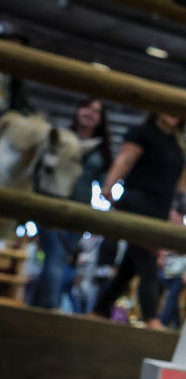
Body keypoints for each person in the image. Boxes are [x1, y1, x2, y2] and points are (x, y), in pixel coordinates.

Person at [91, 110, 186, 328]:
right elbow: (125, 159)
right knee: (147, 263)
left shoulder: (177, 143)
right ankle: (152, 319)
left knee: (128, 269)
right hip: (137, 203)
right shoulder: (143, 132)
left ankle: (98, 311)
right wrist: (108, 186)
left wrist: (179, 211)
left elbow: (177, 183)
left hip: (159, 208)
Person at [31, 98, 112, 313]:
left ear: (101, 119)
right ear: (77, 110)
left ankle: (34, 309)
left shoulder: (100, 150)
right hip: (52, 205)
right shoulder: (59, 138)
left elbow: (105, 183)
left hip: (79, 212)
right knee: (57, 256)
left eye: (96, 111)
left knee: (57, 259)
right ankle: (50, 310)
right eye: (86, 107)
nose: (90, 113)